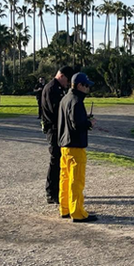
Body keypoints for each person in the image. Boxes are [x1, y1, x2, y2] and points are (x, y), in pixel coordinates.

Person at [58, 72, 97, 222]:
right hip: (76, 146)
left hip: (64, 145)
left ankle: (65, 208)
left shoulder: (65, 99)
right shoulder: (76, 101)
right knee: (76, 180)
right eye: (86, 85)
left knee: (65, 179)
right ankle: (78, 212)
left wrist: (84, 119)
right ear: (79, 85)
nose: (87, 88)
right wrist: (89, 123)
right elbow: (77, 124)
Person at [40, 66, 77, 205]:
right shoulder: (51, 89)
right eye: (67, 80)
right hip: (54, 129)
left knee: (60, 161)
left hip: (59, 129)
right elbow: (56, 111)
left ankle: (58, 190)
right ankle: (51, 192)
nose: (67, 84)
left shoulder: (58, 88)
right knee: (55, 160)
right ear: (61, 76)